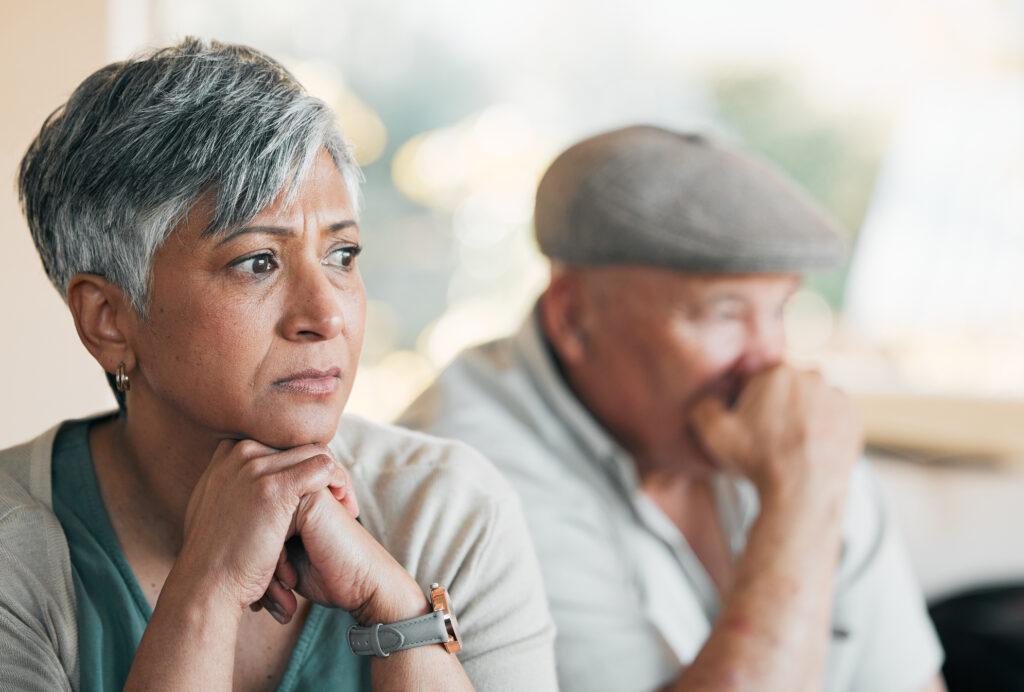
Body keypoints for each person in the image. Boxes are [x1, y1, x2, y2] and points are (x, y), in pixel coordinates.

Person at [0, 38, 556, 692]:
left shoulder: (449, 512)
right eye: (257, 262)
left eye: (342, 255)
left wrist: (399, 613)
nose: (327, 315)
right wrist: (208, 587)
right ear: (108, 320)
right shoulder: (16, 551)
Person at [398, 126, 946, 692]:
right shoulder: (468, 484)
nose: (767, 361)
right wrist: (799, 503)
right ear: (574, 319)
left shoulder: (790, 431)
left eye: (780, 310)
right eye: (723, 314)